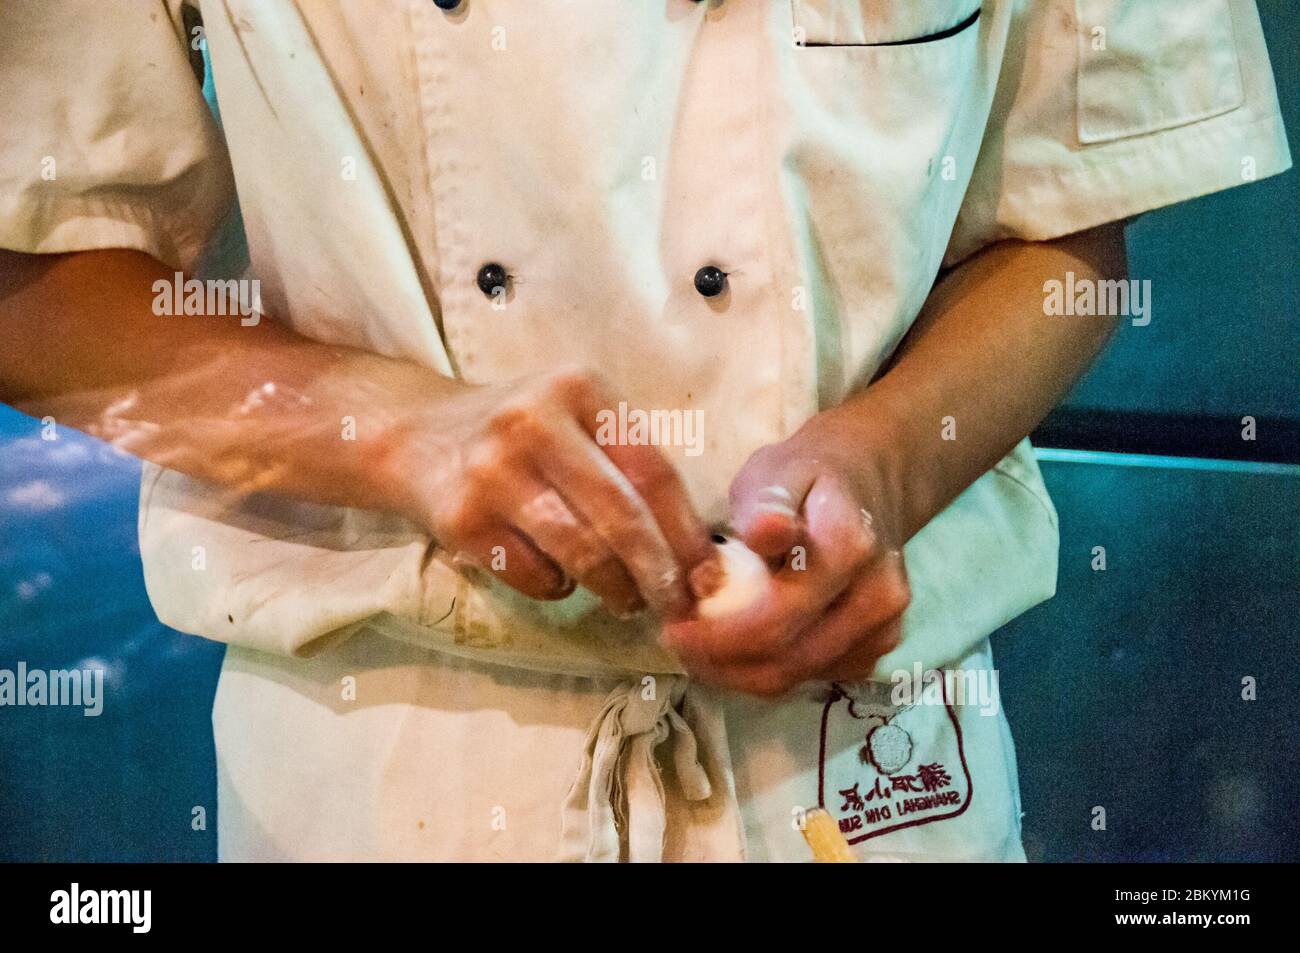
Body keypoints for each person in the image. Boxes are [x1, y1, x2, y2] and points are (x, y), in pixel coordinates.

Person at [0, 0, 1289, 861]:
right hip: (396, 768)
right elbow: (38, 293)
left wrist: (889, 460)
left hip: (872, 766)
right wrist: (398, 431)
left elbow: (1071, 217)